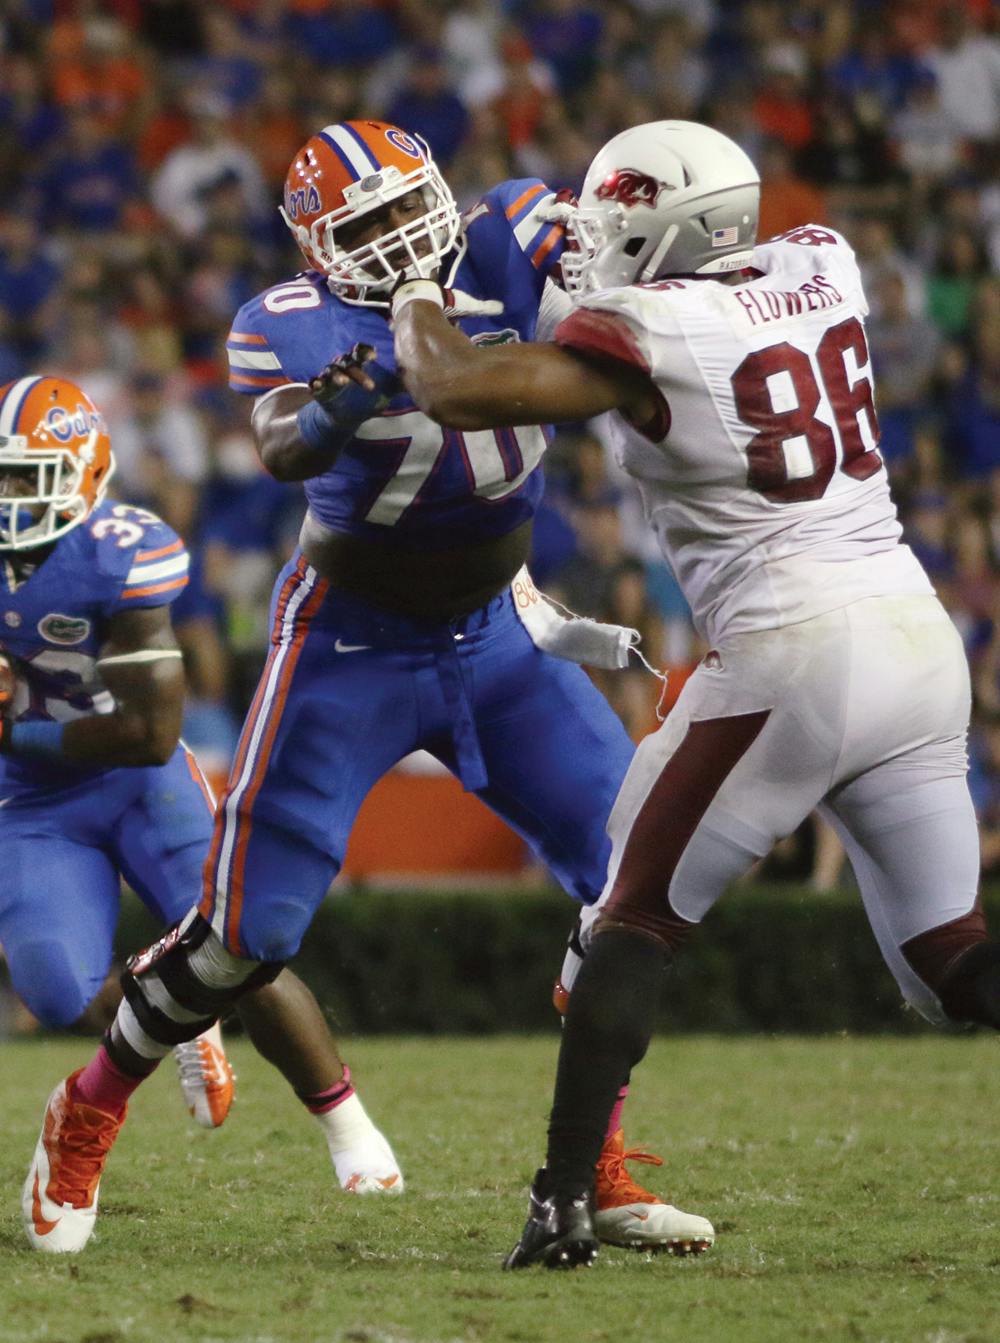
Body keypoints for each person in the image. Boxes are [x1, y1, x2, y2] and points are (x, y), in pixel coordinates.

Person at [22, 122, 714, 1256]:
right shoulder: (286, 323)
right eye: (368, 227)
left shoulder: (506, 235)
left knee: (629, 879)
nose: (399, 242)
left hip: (497, 636)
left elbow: (616, 254)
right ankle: (88, 1105)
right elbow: (285, 442)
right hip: (349, 648)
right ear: (317, 250)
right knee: (245, 936)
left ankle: (593, 1165)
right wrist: (345, 397)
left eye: (409, 210)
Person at [387, 118, 995, 1269]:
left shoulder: (660, 325)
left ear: (664, 229)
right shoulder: (820, 262)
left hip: (792, 649)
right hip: (916, 637)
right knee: (951, 963)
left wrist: (418, 284)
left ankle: (565, 1197)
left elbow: (456, 390)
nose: (590, 234)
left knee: (627, 918)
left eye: (613, 215)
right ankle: (583, 1187)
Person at [3, 376, 401, 1253]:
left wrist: (16, 724)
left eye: (28, 477)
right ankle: (183, 1007)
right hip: (29, 809)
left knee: (244, 946)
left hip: (136, 780)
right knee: (58, 988)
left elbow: (149, 734)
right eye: (2, 479)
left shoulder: (120, 552)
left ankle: (344, 1120)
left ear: (85, 474)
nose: (11, 500)